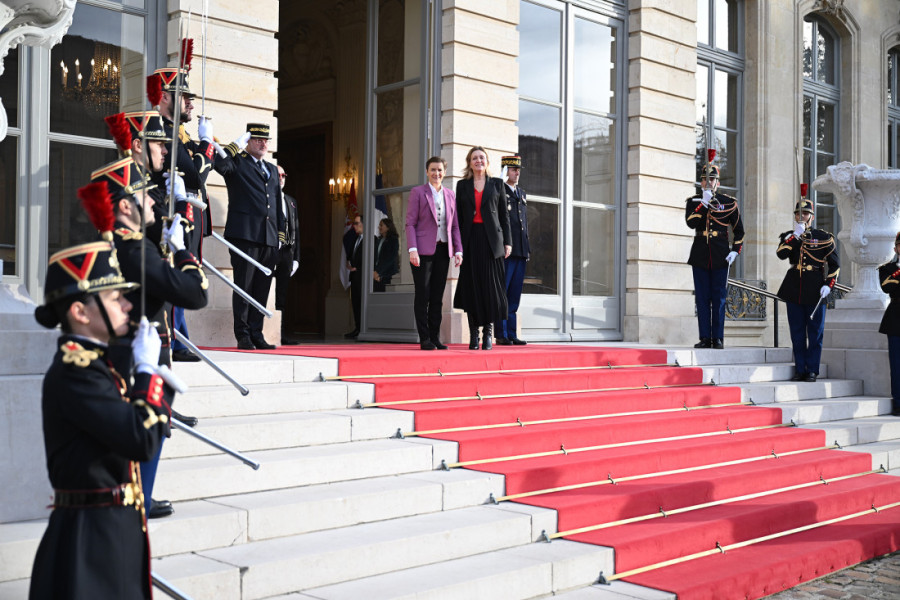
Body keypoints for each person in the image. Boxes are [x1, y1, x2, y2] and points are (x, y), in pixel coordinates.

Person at [29, 240, 172, 599]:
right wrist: (147, 372)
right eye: (114, 298)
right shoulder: (76, 372)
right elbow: (141, 438)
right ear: (79, 311)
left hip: (110, 531)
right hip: (88, 539)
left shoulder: (97, 366)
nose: (127, 305)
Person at [79, 156, 209, 519]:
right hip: (138, 358)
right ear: (124, 205)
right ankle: (139, 498)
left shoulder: (114, 243)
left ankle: (136, 496)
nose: (152, 201)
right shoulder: (134, 251)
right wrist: (183, 251)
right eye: (145, 196)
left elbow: (153, 229)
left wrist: (175, 212)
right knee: (150, 424)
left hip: (123, 354)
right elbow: (196, 294)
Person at [147, 55, 215, 362]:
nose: (190, 104)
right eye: (184, 97)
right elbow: (195, 172)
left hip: (184, 214)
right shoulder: (160, 129)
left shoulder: (178, 133)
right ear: (164, 98)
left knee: (182, 272)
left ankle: (179, 338)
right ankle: (173, 341)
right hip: (170, 213)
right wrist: (207, 147)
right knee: (175, 274)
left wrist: (202, 147)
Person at [214, 123, 284, 350]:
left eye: (266, 141)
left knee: (262, 288)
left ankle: (257, 333)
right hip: (244, 236)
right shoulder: (237, 163)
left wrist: (280, 234)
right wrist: (235, 145)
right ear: (249, 142)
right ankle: (243, 335)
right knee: (244, 287)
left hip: (269, 237)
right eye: (258, 140)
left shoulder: (272, 170)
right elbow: (220, 166)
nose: (263, 144)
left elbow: (276, 204)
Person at [776, 187, 839, 382]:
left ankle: (812, 370)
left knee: (815, 333)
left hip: (815, 289)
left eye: (805, 213)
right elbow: (781, 254)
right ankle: (800, 369)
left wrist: (829, 284)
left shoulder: (824, 237)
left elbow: (835, 265)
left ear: (812, 216)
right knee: (796, 332)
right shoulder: (789, 236)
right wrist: (795, 235)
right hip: (794, 287)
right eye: (798, 213)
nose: (801, 216)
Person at [685, 151, 744, 349]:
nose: (708, 183)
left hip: (721, 255)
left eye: (712, 179)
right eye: (705, 180)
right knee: (702, 298)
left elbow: (740, 232)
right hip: (700, 253)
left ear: (718, 182)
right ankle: (705, 337)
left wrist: (735, 251)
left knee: (718, 298)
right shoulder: (693, 202)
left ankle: (717, 338)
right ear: (701, 182)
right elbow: (691, 223)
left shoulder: (728, 203)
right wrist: (703, 203)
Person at [453, 146, 511, 350]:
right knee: (472, 289)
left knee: (490, 290)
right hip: (469, 241)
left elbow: (504, 216)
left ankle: (488, 333)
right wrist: (457, 245)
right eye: (475, 158)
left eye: (482, 158)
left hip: (491, 242)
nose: (479, 161)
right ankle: (473, 335)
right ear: (470, 162)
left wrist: (508, 242)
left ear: (487, 162)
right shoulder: (462, 186)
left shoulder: (497, 184)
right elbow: (458, 218)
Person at [406, 156, 463, 350]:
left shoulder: (450, 195)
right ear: (427, 172)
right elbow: (410, 223)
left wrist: (458, 250)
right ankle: (424, 338)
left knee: (438, 296)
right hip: (422, 251)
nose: (436, 173)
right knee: (423, 294)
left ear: (444, 172)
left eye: (439, 170)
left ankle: (435, 337)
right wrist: (412, 249)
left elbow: (454, 226)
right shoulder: (418, 193)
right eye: (433, 170)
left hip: (443, 250)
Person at [494, 155, 530, 345]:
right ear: (505, 171)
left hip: (521, 250)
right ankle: (501, 333)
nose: (517, 173)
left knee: (514, 295)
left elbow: (523, 223)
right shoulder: (500, 191)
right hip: (506, 250)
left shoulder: (521, 193)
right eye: (513, 169)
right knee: (503, 292)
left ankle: (512, 333)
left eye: (518, 170)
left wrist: (527, 248)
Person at [274, 165, 301, 345]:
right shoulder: (265, 197)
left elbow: (296, 230)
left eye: (284, 175)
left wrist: (296, 257)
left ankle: (280, 333)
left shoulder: (291, 201)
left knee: (281, 296)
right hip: (269, 252)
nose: (281, 178)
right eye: (278, 175)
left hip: (286, 253)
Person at [879, 232, 900, 416]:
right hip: (896, 319)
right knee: (897, 364)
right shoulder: (888, 269)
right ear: (896, 249)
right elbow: (887, 286)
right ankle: (899, 402)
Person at [345, 215, 364, 338]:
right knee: (355, 304)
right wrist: (348, 263)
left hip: (362, 278)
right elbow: (351, 256)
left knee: (362, 304)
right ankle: (358, 328)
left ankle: (362, 328)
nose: (354, 226)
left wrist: (359, 268)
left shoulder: (370, 239)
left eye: (357, 223)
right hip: (354, 277)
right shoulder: (356, 239)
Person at [374, 218, 400, 292]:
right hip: (376, 275)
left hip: (387, 275)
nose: (379, 227)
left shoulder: (393, 240)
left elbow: (391, 258)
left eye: (381, 225)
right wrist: (375, 272)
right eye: (379, 225)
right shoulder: (378, 240)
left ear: (388, 227)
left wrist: (379, 272)